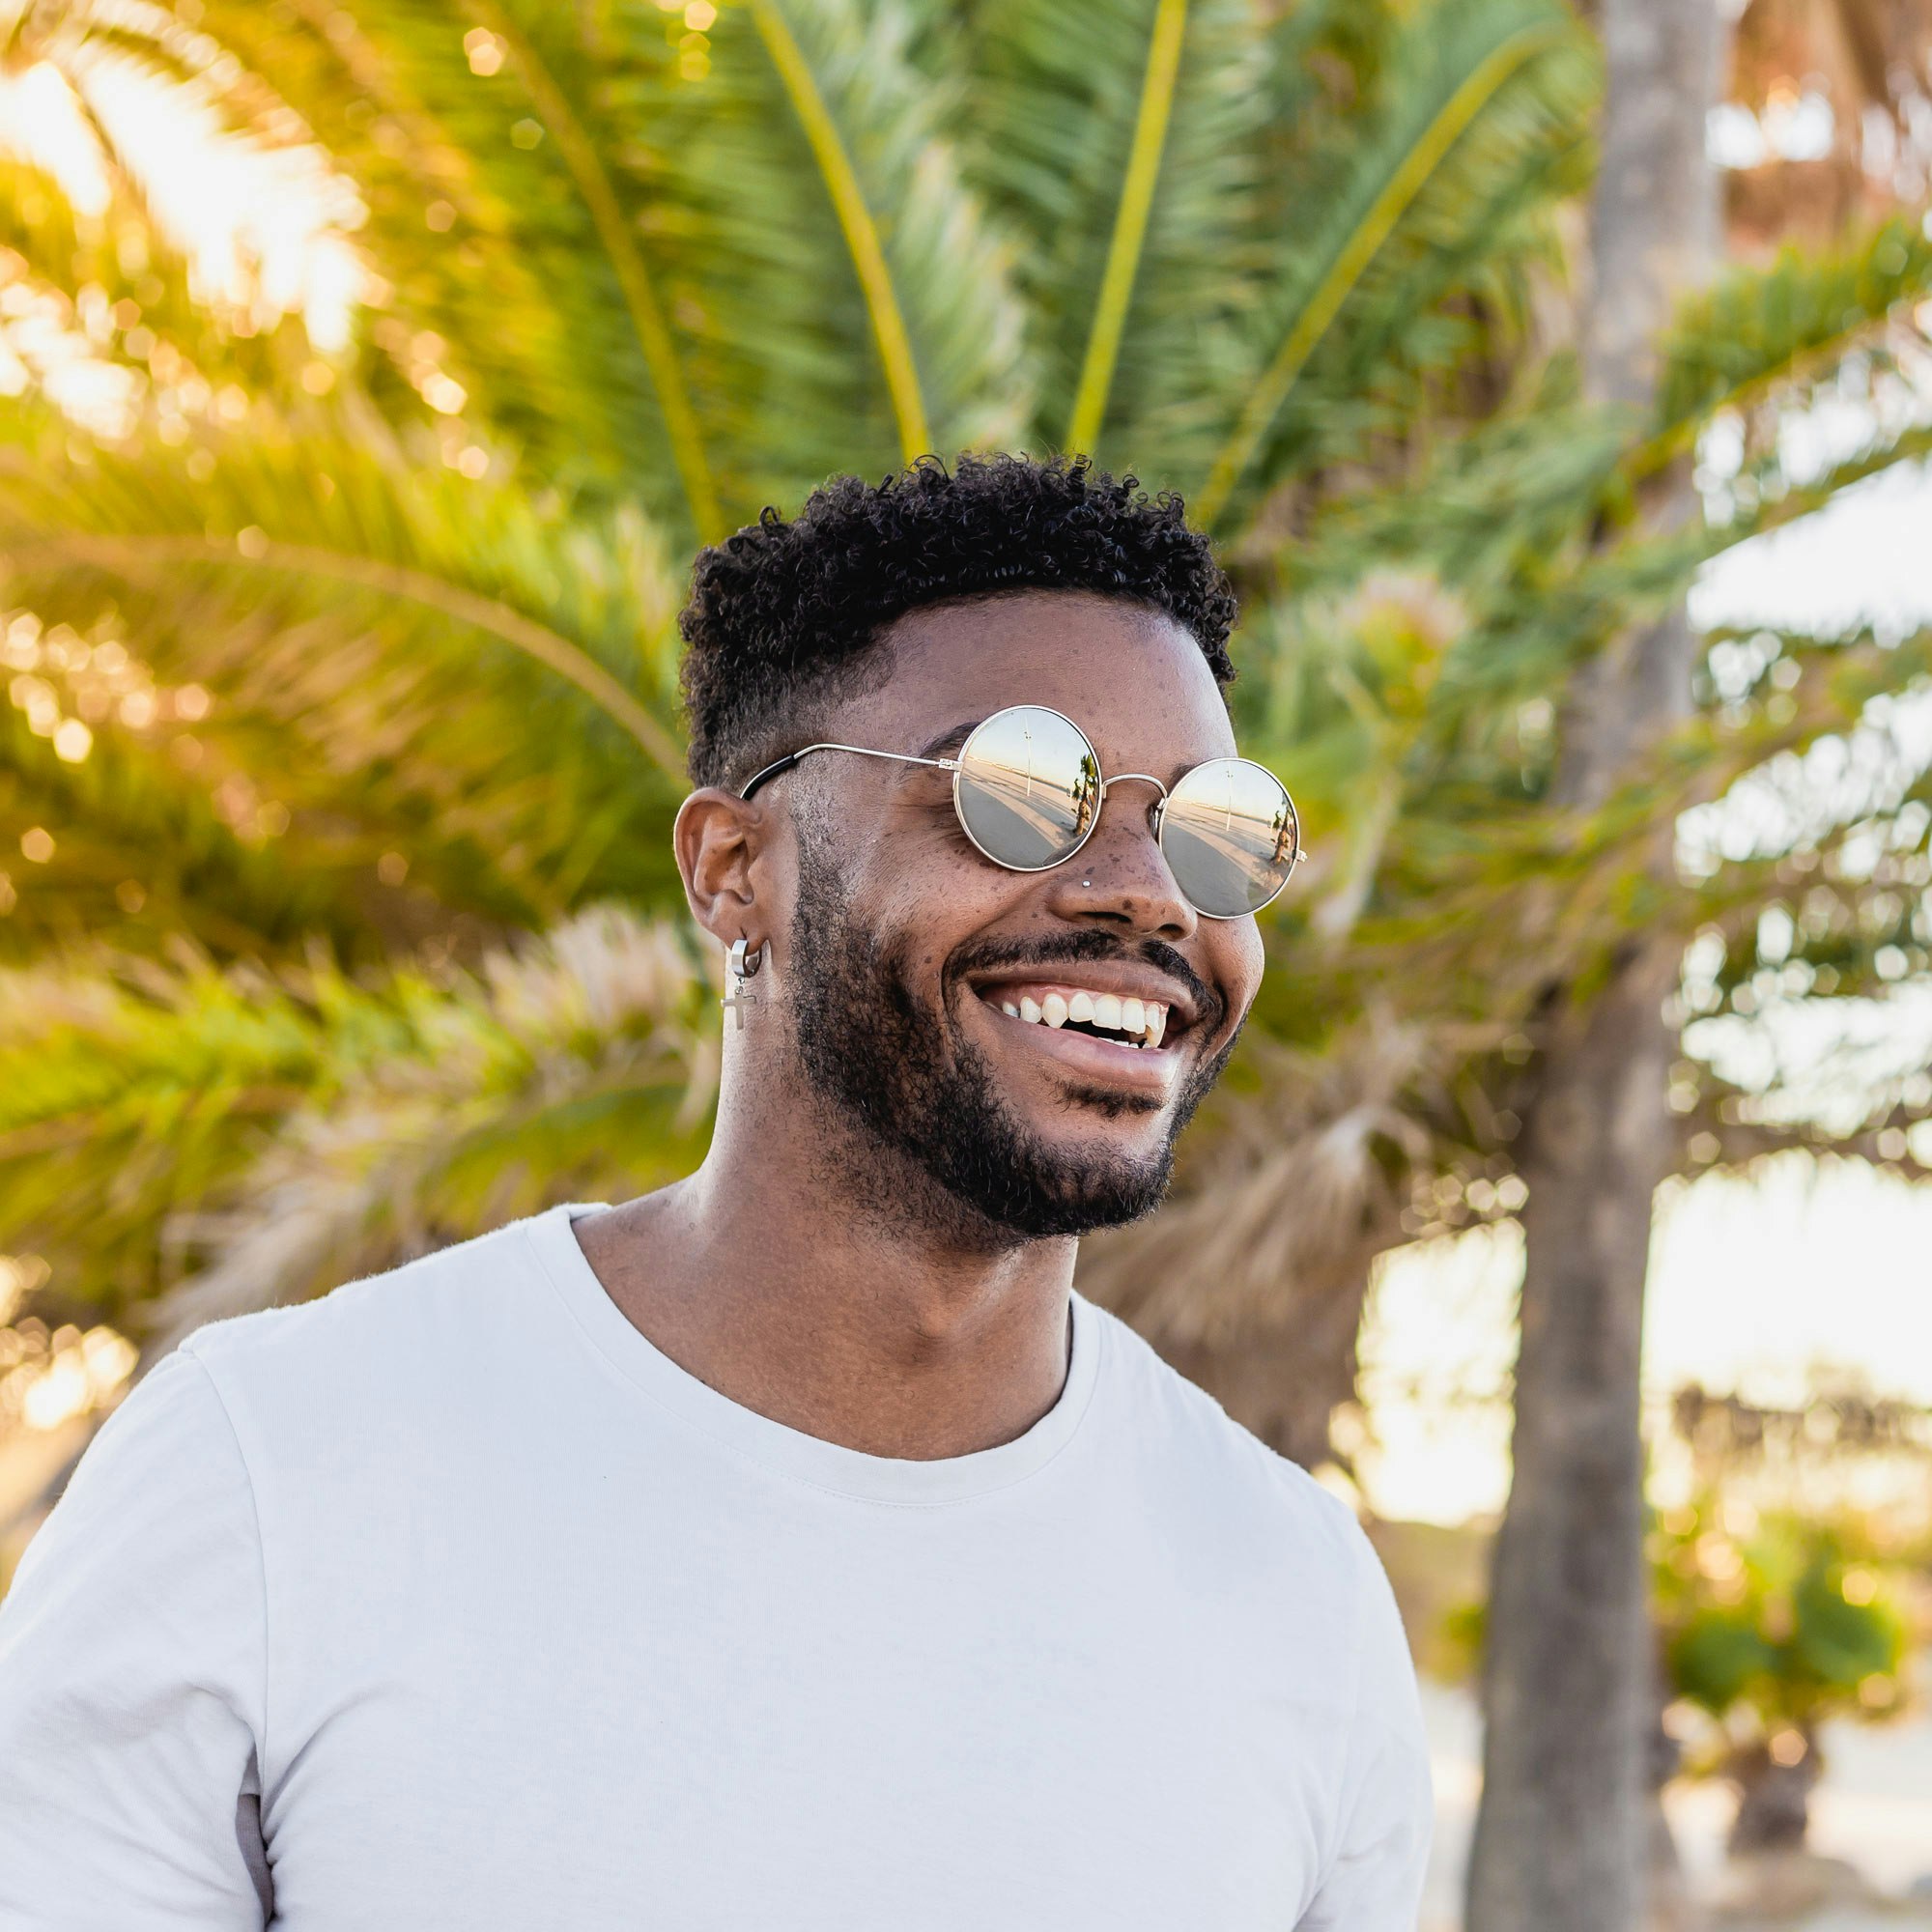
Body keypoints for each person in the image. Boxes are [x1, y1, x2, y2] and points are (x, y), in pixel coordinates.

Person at [0, 455, 1430, 1928]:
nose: (1149, 891)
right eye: (1020, 792)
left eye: (1219, 828)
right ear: (733, 867)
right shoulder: (274, 1474)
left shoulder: (1292, 1596)